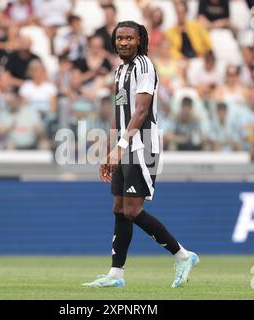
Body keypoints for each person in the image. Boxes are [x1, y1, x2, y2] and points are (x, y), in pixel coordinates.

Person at [82, 21, 199, 289]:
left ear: (140, 41)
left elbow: (141, 112)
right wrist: (110, 149)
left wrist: (121, 147)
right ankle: (115, 274)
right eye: (119, 38)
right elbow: (118, 113)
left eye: (129, 38)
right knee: (119, 209)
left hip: (142, 145)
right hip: (125, 145)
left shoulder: (144, 66)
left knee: (133, 210)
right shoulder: (120, 70)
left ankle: (182, 255)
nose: (124, 42)